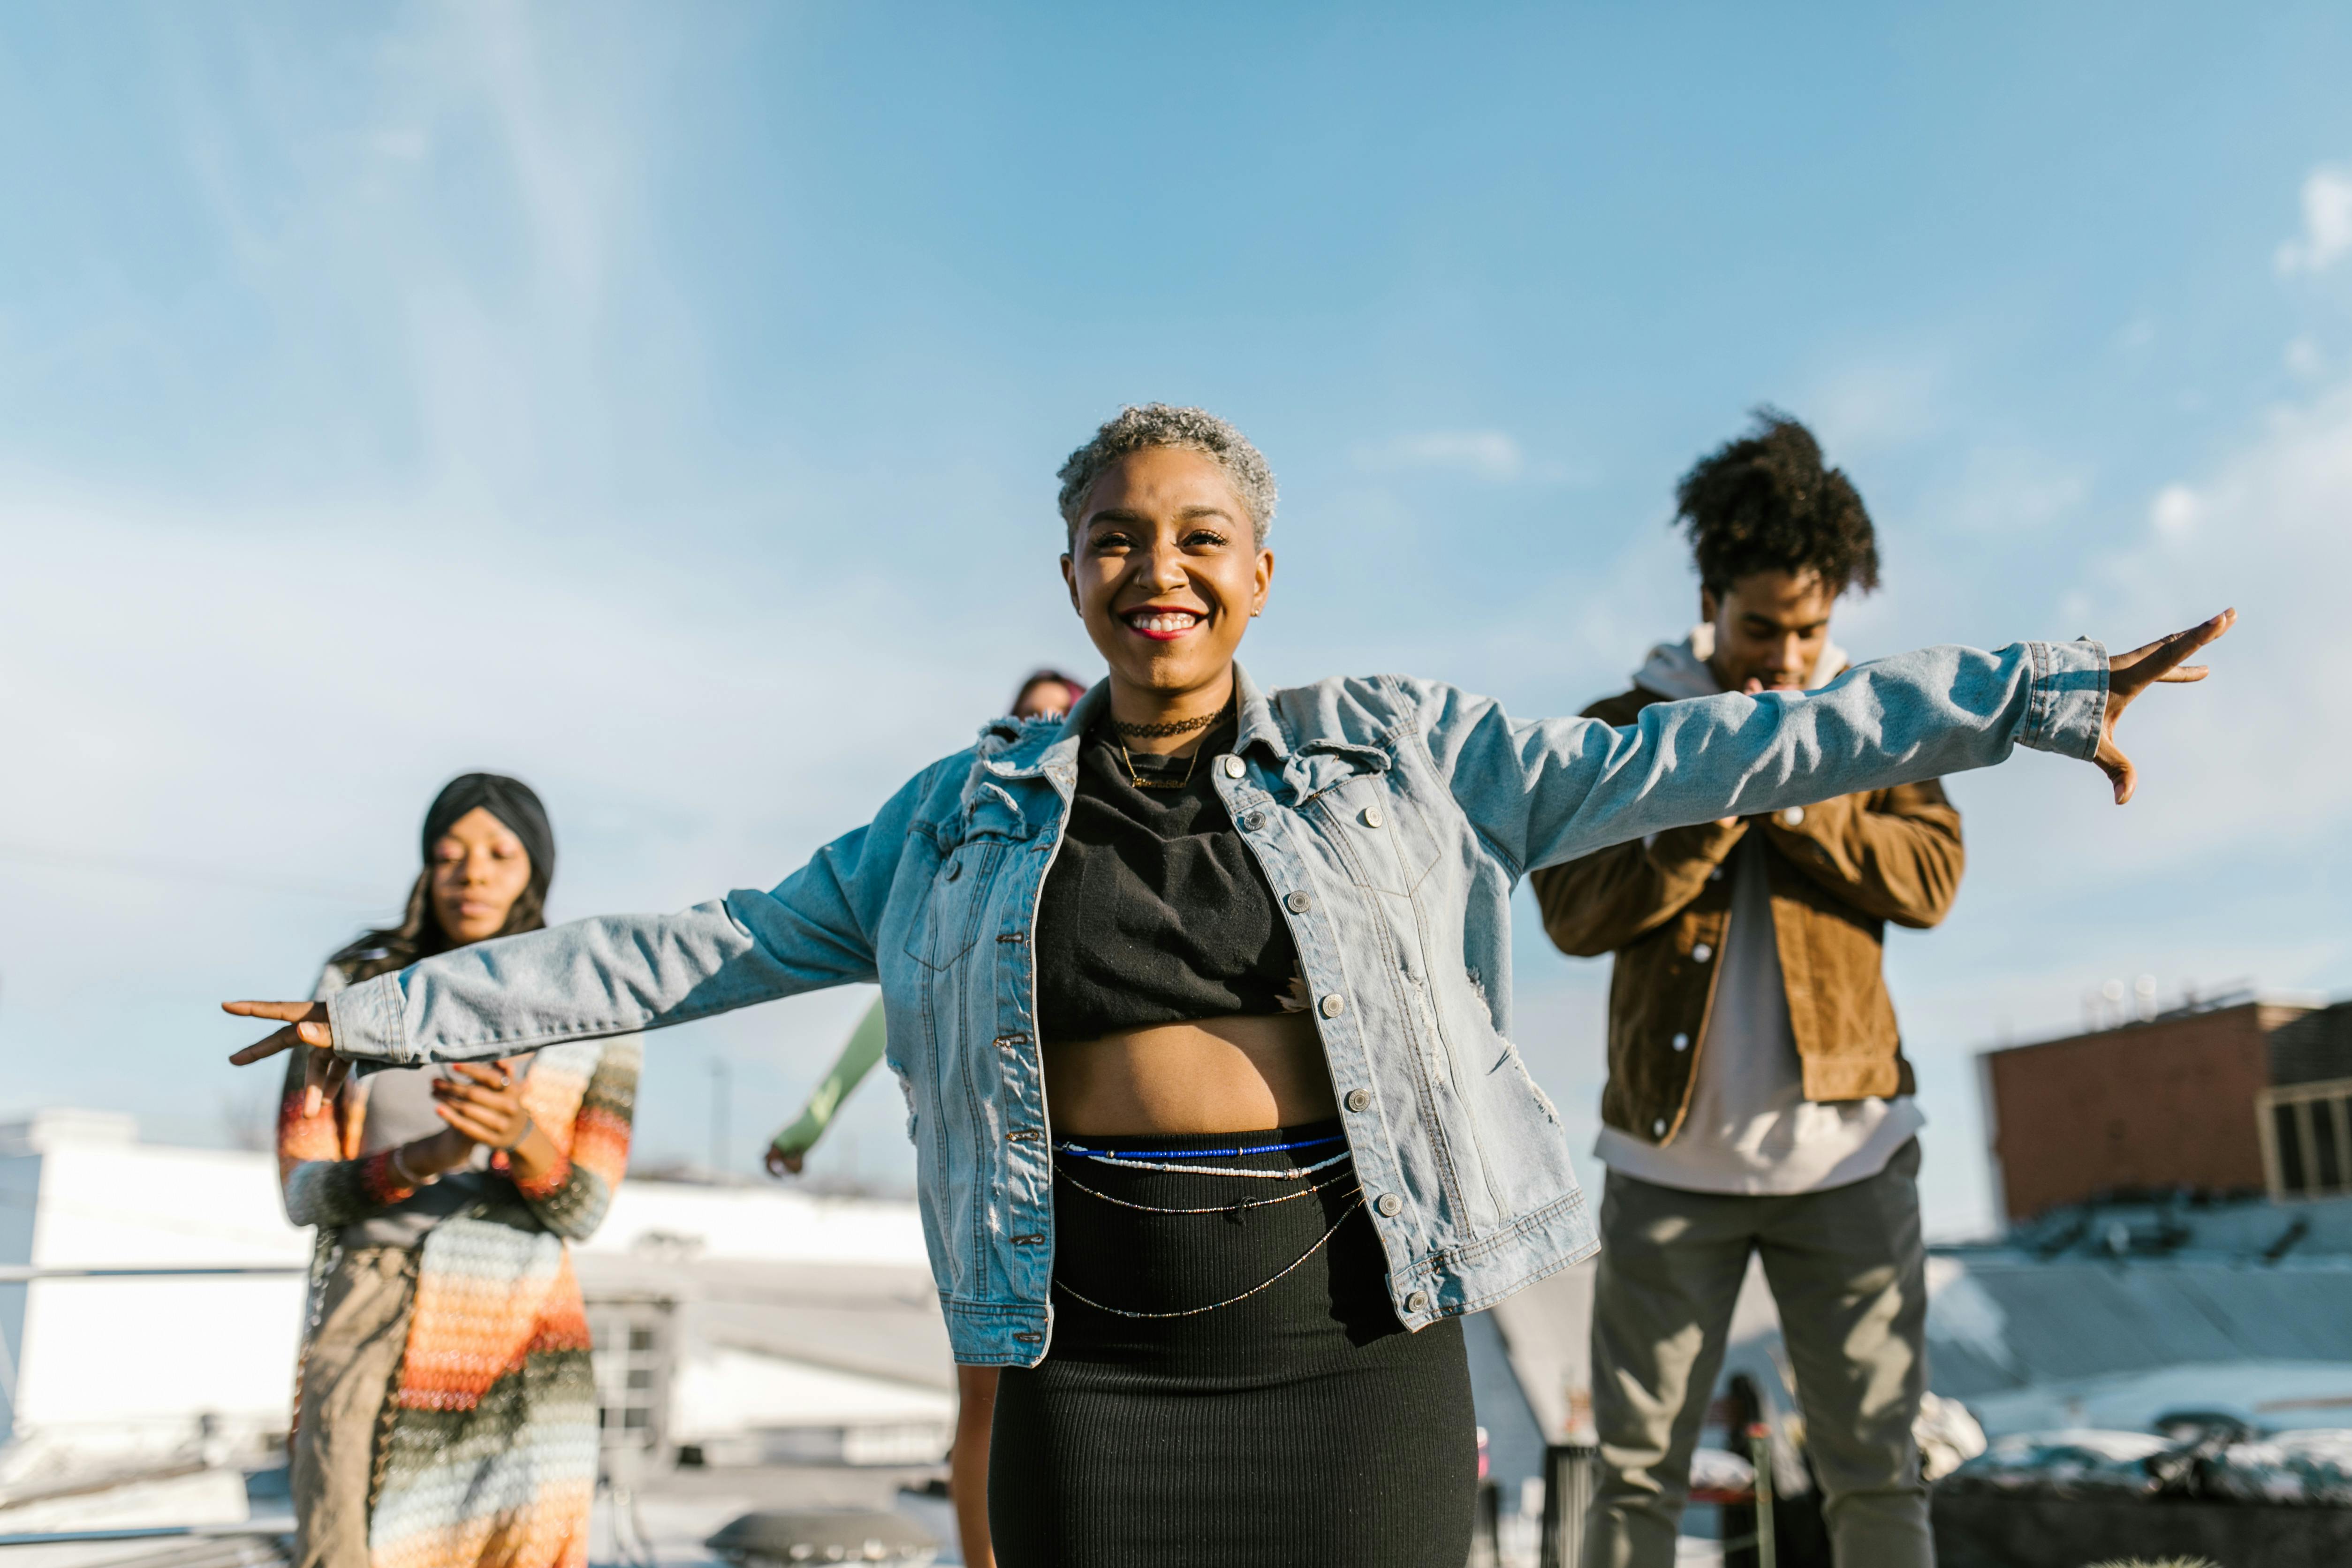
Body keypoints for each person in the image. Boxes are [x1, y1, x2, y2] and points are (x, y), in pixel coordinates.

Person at [228, 404, 2227, 1568]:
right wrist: (396, 1009)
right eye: (1115, 538)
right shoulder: (956, 818)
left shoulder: (1402, 750)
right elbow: (702, 943)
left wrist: (2024, 695)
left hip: (1352, 1355)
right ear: (1074, 573)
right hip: (1093, 1374)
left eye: (1197, 537)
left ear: (1256, 571)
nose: (1153, 567)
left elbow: (1706, 751)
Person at [1532, 412, 1971, 1566]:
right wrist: (1699, 813)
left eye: (1810, 631)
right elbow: (1571, 914)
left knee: (1876, 1471)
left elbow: (1929, 877)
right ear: (1711, 601)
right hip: (1666, 1167)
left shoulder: (1875, 722)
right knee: (1632, 1481)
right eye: (1759, 628)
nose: (1784, 659)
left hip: (1851, 1159)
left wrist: (1798, 790)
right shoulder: (1626, 730)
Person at [275, 773, 638, 1568]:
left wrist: (523, 1139)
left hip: (525, 1333)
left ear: (533, 871)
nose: (472, 873)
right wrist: (422, 1160)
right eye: (449, 855)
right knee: (342, 1549)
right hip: (374, 1309)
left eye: (499, 854)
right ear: (426, 869)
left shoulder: (594, 1009)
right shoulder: (353, 992)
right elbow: (303, 1193)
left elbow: (583, 1211)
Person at [761, 669, 1082, 1568]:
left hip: (1091, 1164)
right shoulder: (965, 877)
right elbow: (886, 1011)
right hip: (984, 1164)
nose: (1045, 727)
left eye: (1064, 712)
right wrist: (808, 1126)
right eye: (1029, 715)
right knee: (982, 1393)